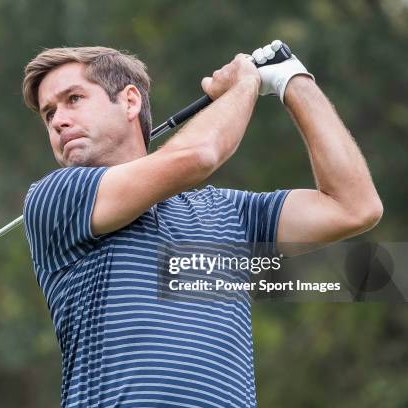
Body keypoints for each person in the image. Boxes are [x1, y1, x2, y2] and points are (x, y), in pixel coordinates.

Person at [20, 44, 382, 407]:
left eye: (74, 98)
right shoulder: (56, 198)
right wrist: (245, 84)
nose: (58, 120)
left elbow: (354, 206)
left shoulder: (229, 212)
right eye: (49, 113)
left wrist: (292, 79)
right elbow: (199, 155)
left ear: (130, 102)